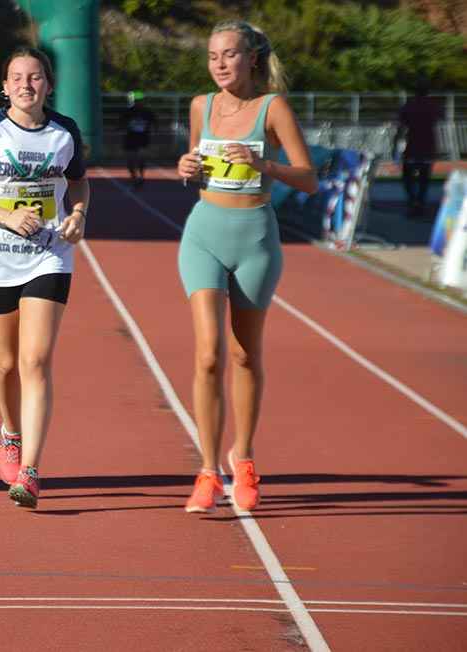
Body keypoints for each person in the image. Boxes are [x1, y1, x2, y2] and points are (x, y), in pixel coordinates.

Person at [175, 21, 316, 513]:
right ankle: (208, 471)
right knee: (209, 354)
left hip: (255, 238)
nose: (218, 64)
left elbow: (309, 179)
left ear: (251, 58)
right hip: (204, 236)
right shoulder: (201, 106)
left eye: (229, 55)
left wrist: (264, 167)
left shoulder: (273, 108)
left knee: (243, 354)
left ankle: (245, 457)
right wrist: (187, 167)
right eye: (212, 55)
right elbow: (195, 164)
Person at [0, 47, 89, 509]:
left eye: (36, 77)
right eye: (17, 78)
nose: (27, 85)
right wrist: (5, 216)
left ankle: (30, 469)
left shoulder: (65, 132)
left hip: (49, 256)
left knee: (36, 361)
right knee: (6, 363)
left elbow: (79, 181)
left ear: (49, 84)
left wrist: (80, 213)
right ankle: (11, 431)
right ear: (4, 87)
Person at [393, 79, 443, 219]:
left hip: (412, 145)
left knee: (407, 176)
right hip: (428, 145)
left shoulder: (409, 105)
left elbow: (400, 127)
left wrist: (395, 145)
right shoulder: (433, 105)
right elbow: (440, 117)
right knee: (424, 177)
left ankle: (412, 201)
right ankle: (420, 202)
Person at [120, 90, 156, 188]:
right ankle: (133, 176)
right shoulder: (128, 112)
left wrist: (154, 132)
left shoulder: (147, 112)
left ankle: (141, 176)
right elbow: (120, 124)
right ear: (133, 101)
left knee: (141, 157)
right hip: (130, 138)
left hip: (143, 139)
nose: (139, 103)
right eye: (137, 101)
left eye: (140, 101)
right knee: (130, 159)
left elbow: (154, 123)